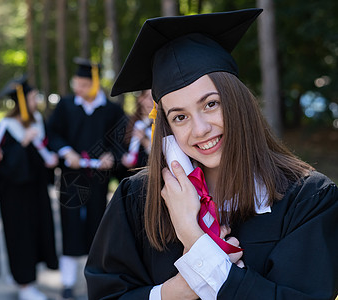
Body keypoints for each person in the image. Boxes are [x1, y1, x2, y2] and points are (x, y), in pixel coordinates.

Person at [85, 8, 338, 300]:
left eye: (211, 104)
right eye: (180, 117)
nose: (200, 129)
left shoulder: (307, 199)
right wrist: (175, 291)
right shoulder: (138, 198)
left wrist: (193, 237)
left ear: (238, 101)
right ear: (167, 128)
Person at [47, 57, 126, 299]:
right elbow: (52, 133)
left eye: (83, 84)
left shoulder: (111, 110)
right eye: (76, 83)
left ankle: (96, 280)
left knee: (98, 226)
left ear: (95, 84)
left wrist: (111, 156)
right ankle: (68, 282)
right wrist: (65, 151)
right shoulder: (66, 105)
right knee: (70, 227)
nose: (77, 89)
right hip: (71, 177)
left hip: (98, 179)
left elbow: (122, 141)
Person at [0, 76, 59, 300]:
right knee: (20, 236)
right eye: (31, 97)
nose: (35, 100)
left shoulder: (37, 119)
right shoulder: (6, 126)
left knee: (38, 232)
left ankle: (26, 277)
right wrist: (23, 143)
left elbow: (45, 148)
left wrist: (50, 161)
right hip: (14, 194)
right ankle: (24, 285)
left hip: (36, 190)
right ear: (21, 100)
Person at [115, 89, 154, 181]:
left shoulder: (162, 125)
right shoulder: (127, 123)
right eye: (149, 98)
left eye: (155, 98)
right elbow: (117, 147)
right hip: (129, 177)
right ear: (140, 99)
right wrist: (122, 158)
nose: (153, 103)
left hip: (150, 178)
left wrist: (144, 141)